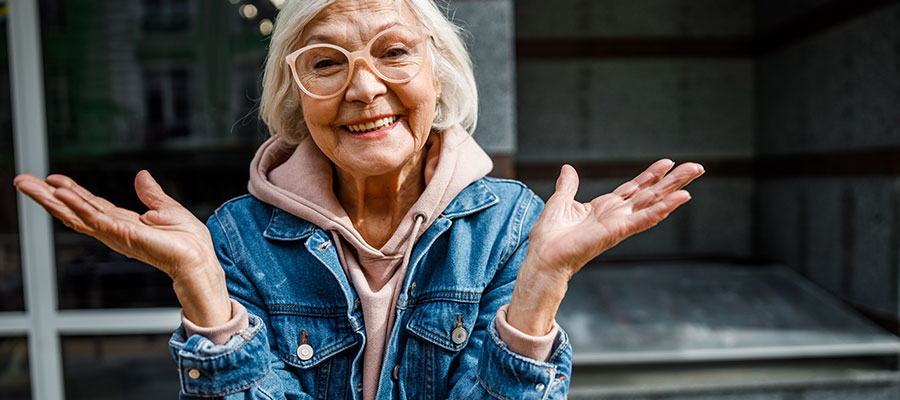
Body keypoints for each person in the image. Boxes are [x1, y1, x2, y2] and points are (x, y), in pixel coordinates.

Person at [13, 0, 704, 398]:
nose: (364, 88)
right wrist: (202, 288)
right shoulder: (236, 237)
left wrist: (543, 281)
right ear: (296, 97)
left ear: (438, 73)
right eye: (325, 62)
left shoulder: (509, 224)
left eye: (393, 52)